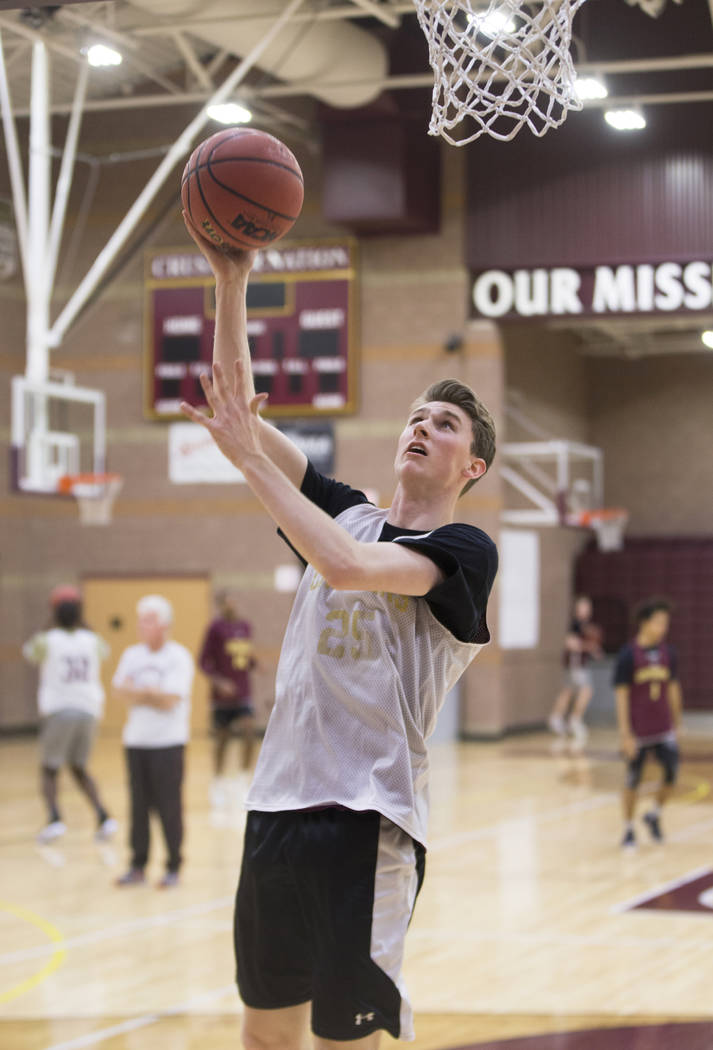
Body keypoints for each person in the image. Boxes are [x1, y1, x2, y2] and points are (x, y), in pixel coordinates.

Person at [179, 212, 498, 1049]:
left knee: (344, 1043)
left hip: (369, 821)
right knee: (263, 1035)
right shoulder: (346, 511)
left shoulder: (461, 550)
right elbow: (237, 414)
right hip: (275, 805)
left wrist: (248, 462)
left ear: (472, 468)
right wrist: (231, 277)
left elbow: (347, 570)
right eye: (417, 417)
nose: (422, 427)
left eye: (446, 425)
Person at [22, 584, 117, 845]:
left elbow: (29, 653)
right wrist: (82, 622)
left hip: (60, 710)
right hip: (89, 711)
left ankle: (54, 820)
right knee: (78, 767)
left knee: (49, 769)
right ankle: (104, 816)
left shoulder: (47, 639)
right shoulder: (92, 640)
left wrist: (49, 622)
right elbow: (105, 651)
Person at [112, 595, 194, 888]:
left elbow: (171, 699)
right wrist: (151, 693)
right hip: (136, 742)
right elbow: (119, 690)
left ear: (164, 625)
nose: (141, 626)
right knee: (138, 806)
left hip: (168, 743)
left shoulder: (178, 657)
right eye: (141, 620)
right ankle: (137, 864)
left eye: (148, 620)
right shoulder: (132, 655)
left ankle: (173, 865)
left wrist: (141, 692)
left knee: (169, 806)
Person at [615, 598, 682, 850]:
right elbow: (621, 695)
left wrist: (678, 721)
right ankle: (628, 828)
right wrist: (625, 734)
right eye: (658, 622)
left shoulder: (669, 653)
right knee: (633, 779)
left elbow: (674, 687)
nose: (663, 627)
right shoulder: (628, 655)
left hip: (663, 728)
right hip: (638, 730)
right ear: (644, 623)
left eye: (665, 623)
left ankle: (653, 814)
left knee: (672, 774)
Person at [198, 591, 257, 804]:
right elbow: (203, 662)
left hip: (243, 693)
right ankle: (218, 781)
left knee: (249, 731)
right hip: (222, 697)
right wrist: (219, 682)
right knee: (222, 740)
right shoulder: (215, 628)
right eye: (227, 603)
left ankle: (243, 778)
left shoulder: (245, 627)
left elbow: (243, 659)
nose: (232, 606)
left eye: (234, 601)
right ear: (220, 606)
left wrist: (253, 663)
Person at [548, 595, 603, 745]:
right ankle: (575, 719)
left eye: (588, 607)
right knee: (586, 690)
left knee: (568, 691)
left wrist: (593, 650)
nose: (586, 610)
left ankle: (556, 718)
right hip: (575, 664)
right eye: (583, 606)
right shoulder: (576, 624)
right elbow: (571, 644)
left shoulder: (586, 626)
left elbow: (587, 645)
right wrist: (588, 647)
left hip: (579, 663)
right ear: (577, 609)